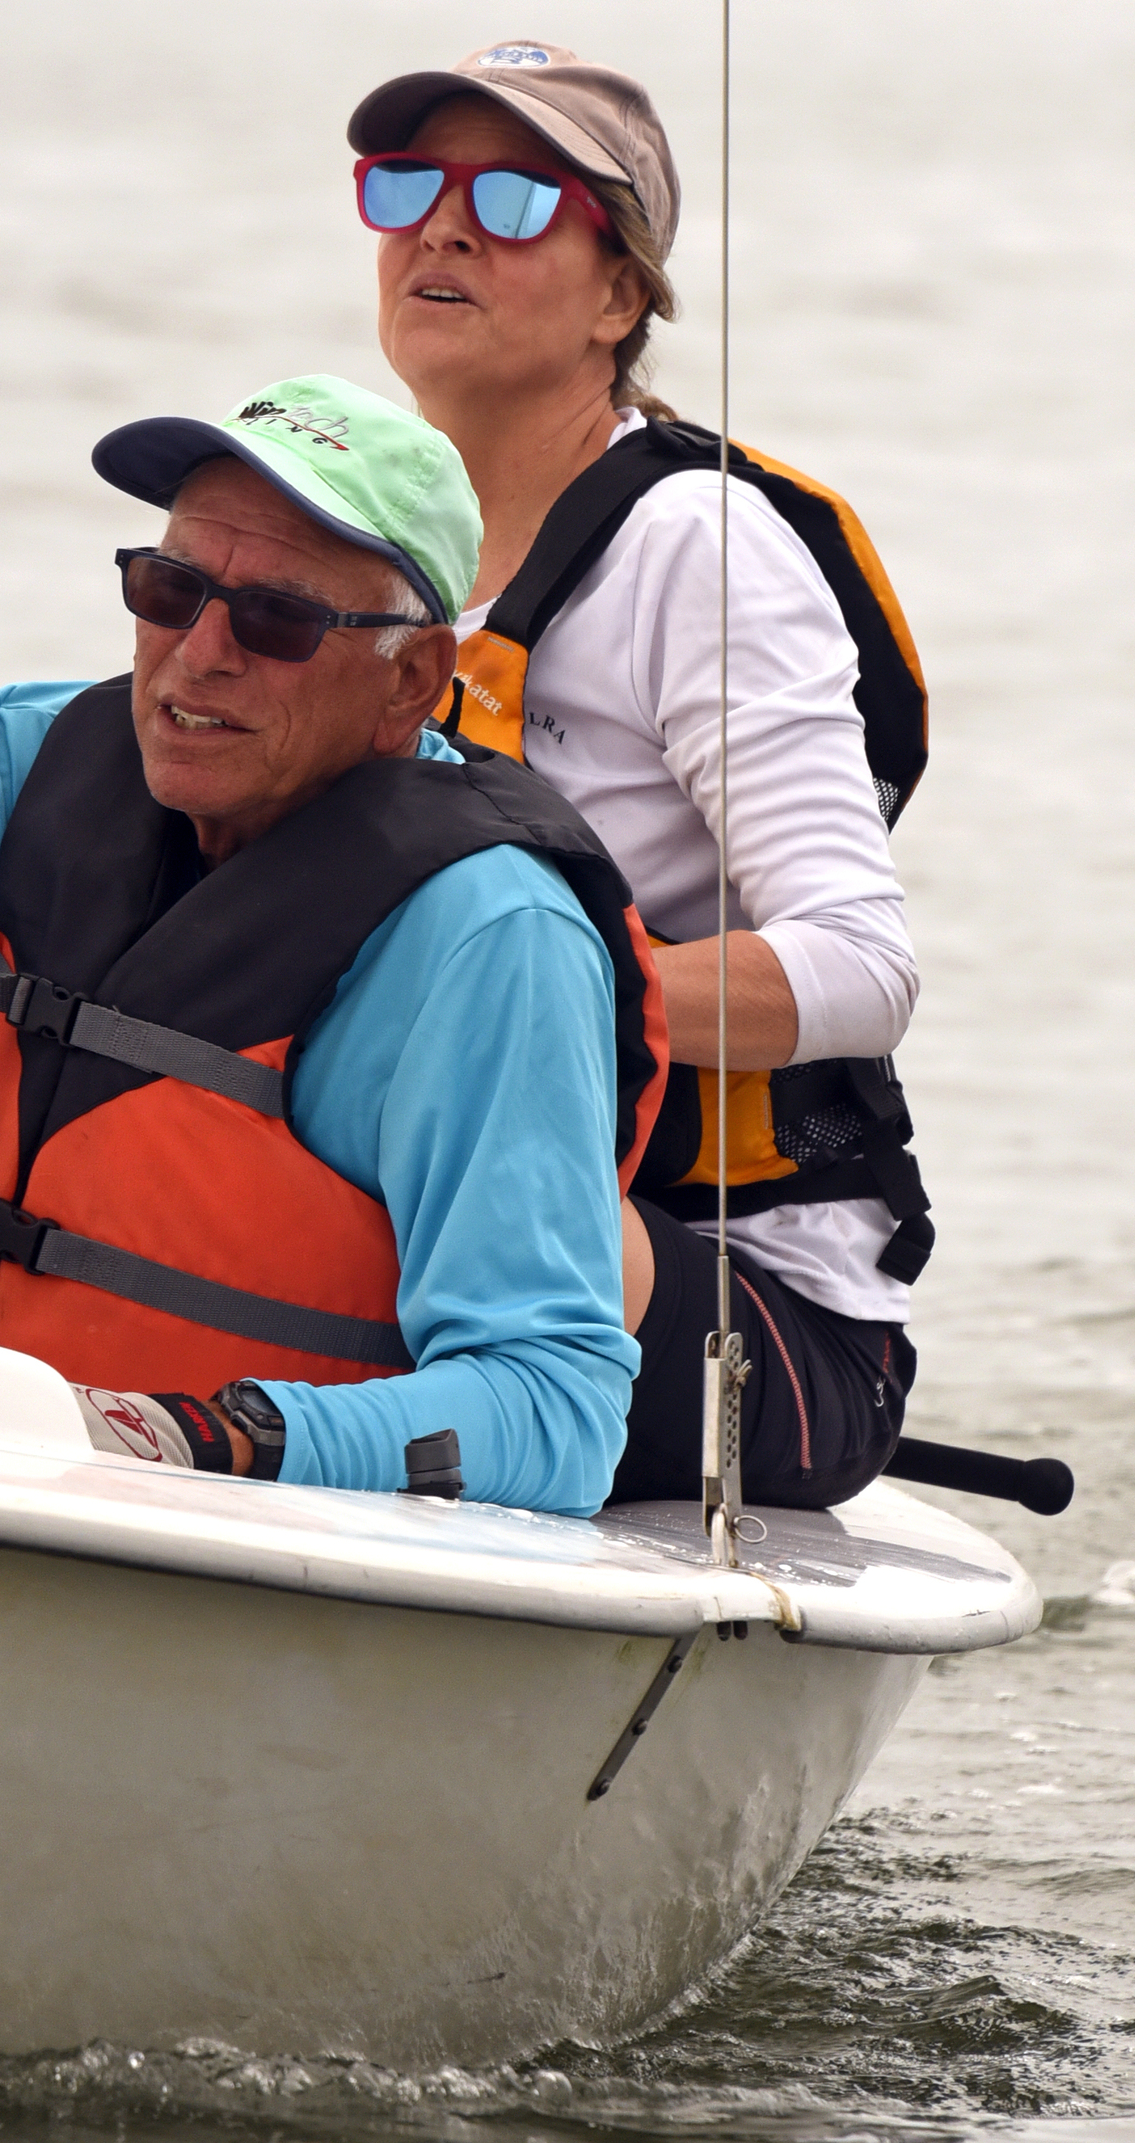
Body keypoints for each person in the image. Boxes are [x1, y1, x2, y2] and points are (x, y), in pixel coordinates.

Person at [0, 373, 667, 1515]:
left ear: (412, 680)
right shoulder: (26, 772)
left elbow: (554, 1409)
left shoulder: (490, 939)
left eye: (277, 618)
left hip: (217, 1537)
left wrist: (185, 1440)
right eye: (170, 588)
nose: (200, 651)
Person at [347, 42, 929, 1509]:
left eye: (519, 197)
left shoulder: (697, 548)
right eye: (406, 183)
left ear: (622, 298)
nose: (444, 224)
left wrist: (517, 1010)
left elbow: (864, 965)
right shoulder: (368, 560)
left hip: (759, 1315)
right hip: (459, 1213)